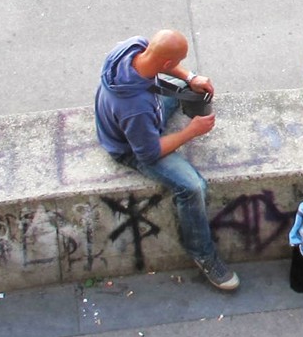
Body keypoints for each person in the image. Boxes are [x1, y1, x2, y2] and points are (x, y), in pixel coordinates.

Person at [94, 29, 238, 291]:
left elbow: (167, 65)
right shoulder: (135, 107)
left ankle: (179, 105)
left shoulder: (130, 47)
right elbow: (148, 154)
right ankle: (203, 254)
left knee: (187, 89)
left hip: (141, 112)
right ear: (167, 63)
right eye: (179, 61)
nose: (182, 64)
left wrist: (191, 77)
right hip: (131, 146)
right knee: (193, 188)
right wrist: (191, 131)